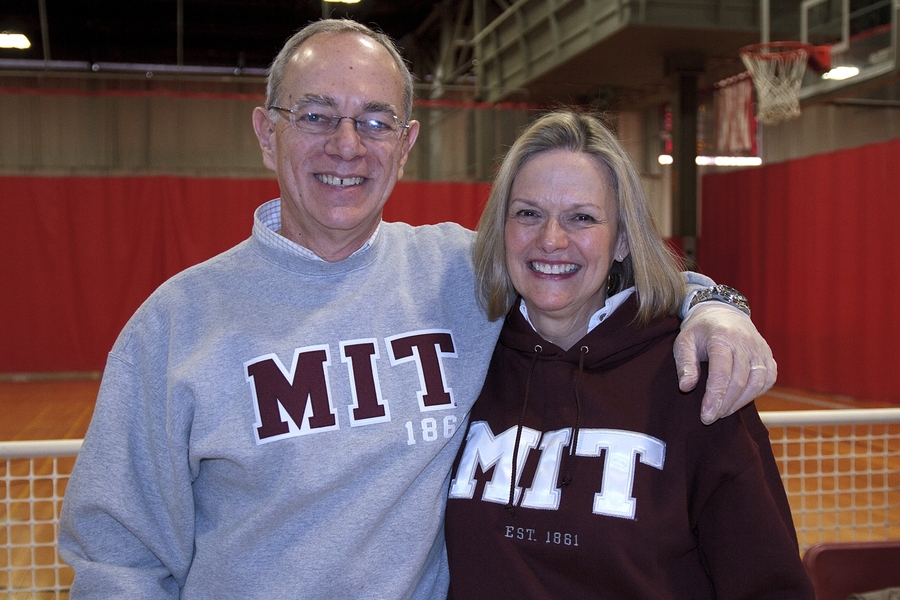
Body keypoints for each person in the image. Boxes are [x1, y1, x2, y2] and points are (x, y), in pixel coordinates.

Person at [58, 19, 776, 599]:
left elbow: (582, 265)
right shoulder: (176, 324)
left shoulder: (458, 273)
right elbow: (118, 559)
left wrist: (716, 305)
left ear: (404, 146)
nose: (347, 145)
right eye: (317, 114)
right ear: (266, 131)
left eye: (375, 121)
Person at [444, 110, 813, 599]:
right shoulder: (466, 362)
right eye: (528, 213)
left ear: (621, 240)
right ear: (502, 228)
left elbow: (769, 585)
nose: (551, 239)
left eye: (582, 218)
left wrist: (713, 305)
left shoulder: (689, 376)